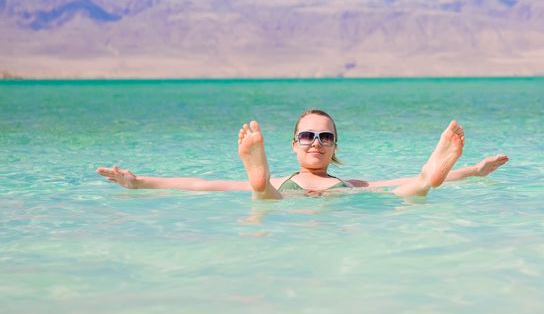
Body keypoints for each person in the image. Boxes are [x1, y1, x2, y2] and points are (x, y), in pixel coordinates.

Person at [97, 109, 508, 198]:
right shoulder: (280, 179)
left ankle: (428, 176)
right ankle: (256, 177)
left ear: (334, 147)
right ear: (294, 144)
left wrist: (472, 171)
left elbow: (391, 181)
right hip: (280, 193)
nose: (316, 142)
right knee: (261, 194)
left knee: (406, 190)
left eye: (325, 137)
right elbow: (201, 184)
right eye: (307, 135)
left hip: (345, 199)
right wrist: (139, 181)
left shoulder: (350, 182)